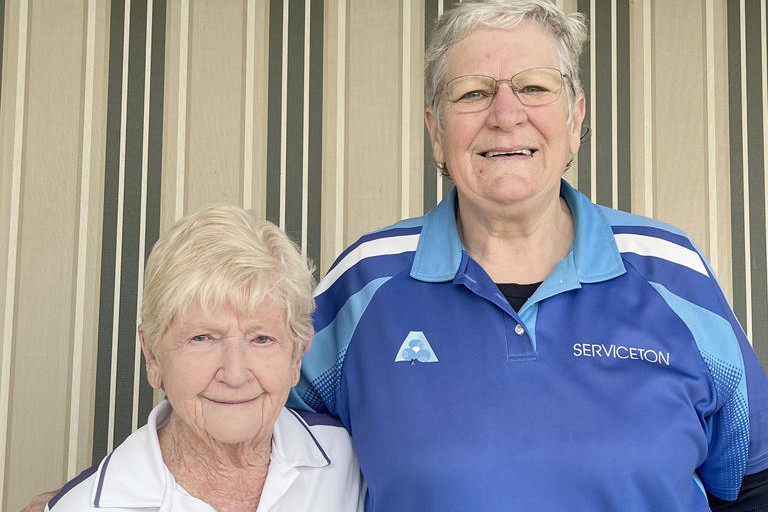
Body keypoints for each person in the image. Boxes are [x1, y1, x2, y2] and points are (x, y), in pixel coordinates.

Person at [287, 0, 768, 510]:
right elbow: (263, 450)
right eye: (473, 93)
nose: (506, 116)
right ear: (436, 132)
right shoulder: (365, 282)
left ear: (574, 117)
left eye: (534, 88)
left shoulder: (671, 270)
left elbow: (754, 483)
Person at [41, 205, 365, 511]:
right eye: (202, 338)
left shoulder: (351, 460)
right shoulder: (84, 506)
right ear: (152, 355)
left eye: (261, 339)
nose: (235, 374)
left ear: (296, 357)